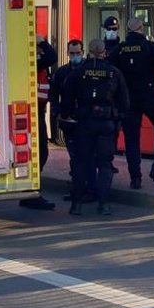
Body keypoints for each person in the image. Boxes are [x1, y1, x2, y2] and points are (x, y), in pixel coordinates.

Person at [61, 39, 129, 216]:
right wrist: (117, 118)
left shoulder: (79, 72)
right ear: (104, 52)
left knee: (81, 163)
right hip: (106, 124)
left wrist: (69, 114)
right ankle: (104, 204)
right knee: (105, 164)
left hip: (84, 123)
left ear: (88, 52)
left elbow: (67, 99)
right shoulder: (114, 73)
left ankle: (76, 205)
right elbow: (125, 103)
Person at [109, 17, 154, 188]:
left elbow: (109, 69)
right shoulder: (151, 47)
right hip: (151, 97)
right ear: (141, 28)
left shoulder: (120, 49)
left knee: (132, 139)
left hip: (128, 100)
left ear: (128, 30)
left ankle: (135, 178)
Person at [49, 39, 95, 202]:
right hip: (69, 122)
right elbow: (53, 95)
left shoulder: (90, 71)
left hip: (87, 121)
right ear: (68, 53)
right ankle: (77, 190)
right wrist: (56, 112)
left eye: (78, 53)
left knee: (88, 157)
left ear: (83, 53)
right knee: (75, 158)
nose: (75, 56)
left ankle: (90, 190)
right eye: (72, 53)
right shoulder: (61, 73)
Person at [21, 34, 59, 210]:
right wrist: (42, 42)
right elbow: (52, 56)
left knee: (38, 152)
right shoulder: (31, 59)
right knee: (39, 151)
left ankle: (30, 191)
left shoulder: (31, 59)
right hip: (34, 111)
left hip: (37, 109)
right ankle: (32, 192)